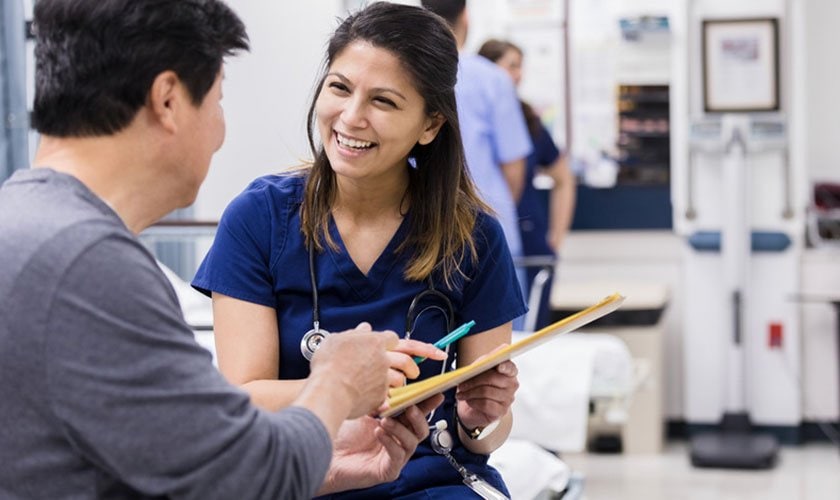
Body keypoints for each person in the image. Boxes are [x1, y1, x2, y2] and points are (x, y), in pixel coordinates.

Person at [0, 1, 437, 498]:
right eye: (217, 101)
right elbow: (242, 477)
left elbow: (185, 466)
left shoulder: (25, 226)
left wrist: (332, 469)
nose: (220, 133)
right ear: (168, 100)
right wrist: (338, 380)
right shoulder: (87, 264)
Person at [192, 3, 523, 498]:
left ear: (430, 124)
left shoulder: (473, 237)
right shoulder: (260, 219)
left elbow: (485, 437)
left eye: (383, 102)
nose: (351, 117)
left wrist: (480, 419)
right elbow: (244, 398)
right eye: (339, 88)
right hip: (302, 477)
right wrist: (351, 383)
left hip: (429, 482)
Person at [421, 0, 532, 278]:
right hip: (490, 228)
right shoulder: (493, 79)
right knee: (505, 320)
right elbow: (513, 167)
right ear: (466, 17)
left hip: (425, 229)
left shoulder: (412, 76)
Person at [478, 38, 577, 330]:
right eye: (511, 66)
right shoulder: (469, 115)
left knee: (532, 332)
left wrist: (556, 238)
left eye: (521, 67)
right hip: (489, 239)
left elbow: (563, 178)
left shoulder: (527, 119)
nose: (518, 74)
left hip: (530, 242)